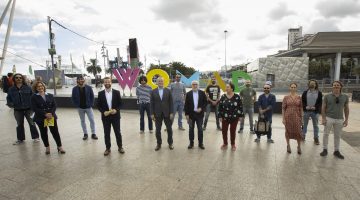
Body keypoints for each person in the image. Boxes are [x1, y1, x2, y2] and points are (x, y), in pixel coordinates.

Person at [31, 81, 65, 154]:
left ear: (44, 87)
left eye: (41, 86)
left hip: (51, 117)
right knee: (43, 133)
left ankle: (60, 147)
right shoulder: (34, 97)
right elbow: (34, 108)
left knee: (55, 132)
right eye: (38, 86)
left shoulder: (50, 95)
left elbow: (54, 105)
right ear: (36, 88)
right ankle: (47, 147)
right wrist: (45, 114)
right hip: (40, 118)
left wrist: (50, 113)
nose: (40, 87)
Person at [6, 73, 40, 145]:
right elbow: (8, 98)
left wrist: (34, 106)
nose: (18, 79)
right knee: (19, 124)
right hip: (18, 110)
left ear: (22, 79)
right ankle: (20, 139)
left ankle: (36, 137)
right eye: (17, 78)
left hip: (29, 109)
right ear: (14, 79)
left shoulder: (28, 87)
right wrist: (12, 104)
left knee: (32, 123)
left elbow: (33, 97)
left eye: (20, 78)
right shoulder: (11, 89)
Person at [320, 81, 349, 159]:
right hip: (329, 118)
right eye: (334, 85)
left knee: (338, 136)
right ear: (332, 86)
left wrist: (346, 119)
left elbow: (346, 108)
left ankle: (336, 151)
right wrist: (323, 118)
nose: (336, 86)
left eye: (338, 85)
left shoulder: (345, 97)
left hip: (339, 119)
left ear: (340, 86)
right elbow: (323, 107)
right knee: (326, 134)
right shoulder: (327, 96)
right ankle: (325, 149)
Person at [97, 77, 125, 156]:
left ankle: (120, 147)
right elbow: (98, 105)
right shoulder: (100, 93)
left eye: (108, 82)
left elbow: (121, 104)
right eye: (105, 82)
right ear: (103, 83)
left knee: (118, 132)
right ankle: (108, 148)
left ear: (111, 82)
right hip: (105, 117)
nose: (107, 83)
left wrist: (116, 110)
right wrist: (103, 112)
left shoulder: (117, 92)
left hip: (115, 116)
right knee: (106, 133)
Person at [218, 83, 244, 151]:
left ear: (232, 88)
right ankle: (225, 143)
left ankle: (233, 144)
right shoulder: (223, 96)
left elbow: (240, 107)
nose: (226, 88)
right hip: (224, 117)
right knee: (224, 131)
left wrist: (241, 116)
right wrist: (220, 116)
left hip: (234, 117)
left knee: (232, 131)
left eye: (227, 87)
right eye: (226, 87)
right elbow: (220, 107)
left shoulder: (237, 96)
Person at [151, 77, 174, 151]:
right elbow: (151, 104)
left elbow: (171, 103)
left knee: (169, 129)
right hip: (157, 114)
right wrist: (151, 114)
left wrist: (171, 112)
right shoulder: (153, 91)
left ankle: (170, 143)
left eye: (162, 81)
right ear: (156, 82)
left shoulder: (168, 91)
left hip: (167, 113)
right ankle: (159, 144)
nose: (160, 82)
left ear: (164, 82)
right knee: (157, 130)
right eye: (159, 81)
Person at [71, 75, 98, 140]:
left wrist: (91, 104)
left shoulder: (89, 87)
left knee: (92, 120)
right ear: (77, 80)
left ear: (84, 80)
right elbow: (73, 98)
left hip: (88, 107)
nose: (81, 80)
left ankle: (93, 133)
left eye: (82, 79)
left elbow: (92, 96)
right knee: (82, 121)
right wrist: (76, 105)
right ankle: (85, 134)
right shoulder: (74, 89)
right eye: (79, 79)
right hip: (80, 108)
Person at [184, 80, 207, 149]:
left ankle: (201, 143)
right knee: (191, 129)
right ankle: (191, 143)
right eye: (193, 84)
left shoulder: (202, 93)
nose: (195, 85)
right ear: (192, 86)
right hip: (191, 115)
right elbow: (186, 105)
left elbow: (205, 103)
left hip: (199, 115)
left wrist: (201, 109)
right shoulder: (188, 94)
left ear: (198, 85)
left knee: (200, 129)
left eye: (196, 84)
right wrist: (186, 115)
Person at [282, 83, 303, 154]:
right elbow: (283, 108)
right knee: (287, 131)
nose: (293, 88)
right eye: (292, 87)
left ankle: (299, 146)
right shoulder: (286, 97)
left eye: (294, 87)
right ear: (290, 88)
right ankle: (288, 145)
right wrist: (283, 118)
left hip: (297, 116)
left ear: (296, 88)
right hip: (288, 116)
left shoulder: (299, 97)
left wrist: (302, 118)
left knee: (298, 132)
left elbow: (301, 108)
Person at [302, 79, 323, 145]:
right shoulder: (305, 92)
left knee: (315, 126)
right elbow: (302, 101)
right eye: (311, 83)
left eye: (314, 83)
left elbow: (320, 103)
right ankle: (303, 136)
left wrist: (316, 107)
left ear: (316, 84)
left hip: (315, 112)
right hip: (306, 111)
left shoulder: (319, 93)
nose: (312, 84)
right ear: (309, 84)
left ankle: (316, 138)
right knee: (304, 125)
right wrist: (305, 106)